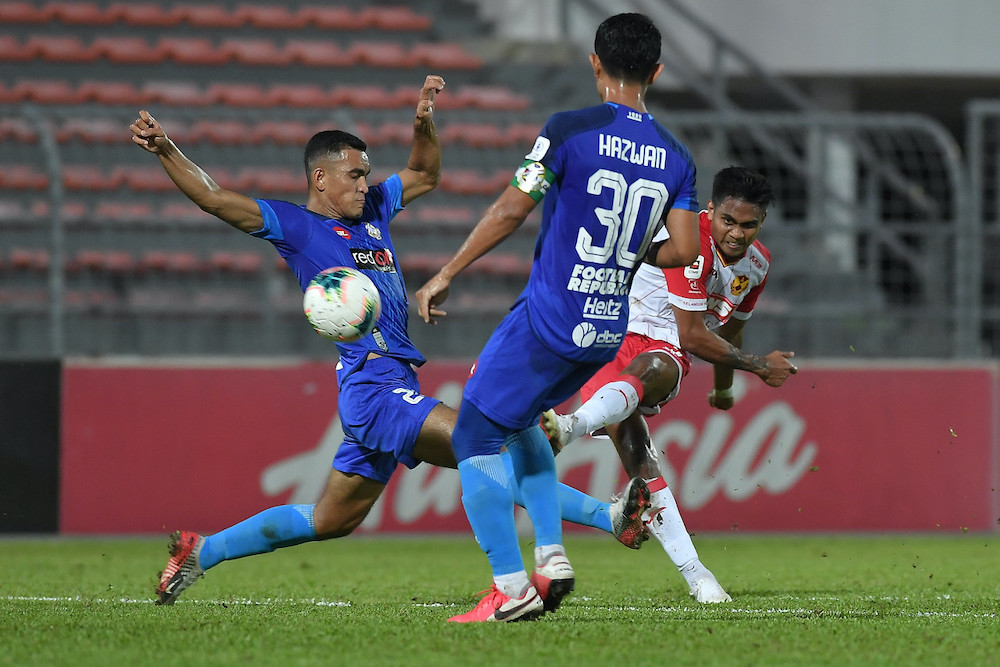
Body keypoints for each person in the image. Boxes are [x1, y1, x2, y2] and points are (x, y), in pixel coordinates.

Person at [131, 76, 651, 607]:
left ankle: (203, 551)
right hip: (373, 388)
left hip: (388, 386)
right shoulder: (295, 226)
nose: (364, 185)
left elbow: (426, 172)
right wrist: (167, 149)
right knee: (481, 440)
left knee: (330, 519)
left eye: (366, 175)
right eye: (354, 176)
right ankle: (607, 518)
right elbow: (215, 199)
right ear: (320, 177)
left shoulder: (375, 209)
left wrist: (423, 124)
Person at [415, 14, 701, 623]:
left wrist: (448, 272)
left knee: (473, 435)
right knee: (520, 425)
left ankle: (511, 585)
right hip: (604, 330)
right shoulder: (677, 158)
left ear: (595, 63)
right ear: (655, 72)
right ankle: (551, 552)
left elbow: (512, 208)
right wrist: (629, 249)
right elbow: (681, 251)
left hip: (549, 318)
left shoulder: (570, 130)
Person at [540, 166, 799, 603]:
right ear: (710, 210)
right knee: (641, 459)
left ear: (762, 222)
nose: (736, 233)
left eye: (749, 224)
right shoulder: (689, 238)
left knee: (657, 367)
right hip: (616, 337)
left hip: (663, 347)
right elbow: (696, 337)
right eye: (728, 221)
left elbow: (728, 333)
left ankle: (571, 428)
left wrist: (723, 388)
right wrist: (758, 367)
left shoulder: (757, 266)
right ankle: (700, 577)